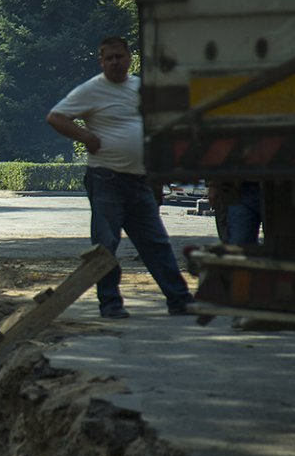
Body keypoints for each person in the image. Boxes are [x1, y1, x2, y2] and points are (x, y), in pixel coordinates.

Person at [47, 36, 195, 319]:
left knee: (156, 242)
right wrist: (86, 137)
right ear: (101, 61)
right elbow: (56, 117)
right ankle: (110, 304)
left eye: (120, 57)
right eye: (109, 58)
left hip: (139, 181)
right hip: (106, 179)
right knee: (105, 245)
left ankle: (179, 299)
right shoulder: (91, 90)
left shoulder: (140, 88)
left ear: (129, 59)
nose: (115, 62)